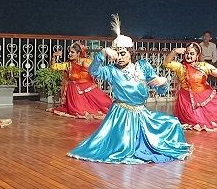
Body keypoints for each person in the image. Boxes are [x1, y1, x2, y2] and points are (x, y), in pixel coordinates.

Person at [67, 15, 192, 164]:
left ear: (130, 53)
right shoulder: (111, 70)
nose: (119, 57)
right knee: (124, 146)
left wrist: (163, 82)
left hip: (142, 113)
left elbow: (160, 90)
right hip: (121, 115)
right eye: (116, 53)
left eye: (123, 53)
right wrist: (103, 53)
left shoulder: (143, 66)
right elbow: (93, 71)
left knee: (173, 124)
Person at [163, 42, 217, 131]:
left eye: (192, 54)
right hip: (187, 100)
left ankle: (212, 119)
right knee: (196, 120)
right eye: (187, 53)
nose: (188, 56)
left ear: (197, 55)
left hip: (204, 95)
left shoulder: (203, 66)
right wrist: (175, 51)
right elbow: (166, 63)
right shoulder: (180, 67)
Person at [48, 41, 112, 119]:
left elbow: (96, 69)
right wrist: (54, 56)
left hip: (88, 88)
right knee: (78, 107)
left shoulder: (86, 62)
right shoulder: (69, 65)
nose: (70, 54)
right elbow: (54, 67)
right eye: (69, 52)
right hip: (75, 90)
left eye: (72, 52)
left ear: (78, 53)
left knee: (107, 102)